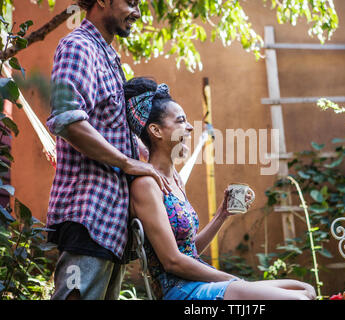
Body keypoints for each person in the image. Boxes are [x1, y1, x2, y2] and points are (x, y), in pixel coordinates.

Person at [125, 77, 317, 300]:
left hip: (199, 283)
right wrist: (233, 282)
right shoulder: (146, 185)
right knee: (298, 300)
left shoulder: (175, 179)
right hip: (181, 292)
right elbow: (173, 261)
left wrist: (221, 215)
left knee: (305, 290)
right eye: (180, 121)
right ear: (156, 131)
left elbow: (188, 251)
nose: (189, 127)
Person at [45, 0, 173, 300]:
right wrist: (128, 163)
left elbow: (110, 129)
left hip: (111, 228)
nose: (138, 12)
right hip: (88, 219)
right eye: (131, 2)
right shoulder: (79, 46)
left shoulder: (107, 56)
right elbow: (66, 119)